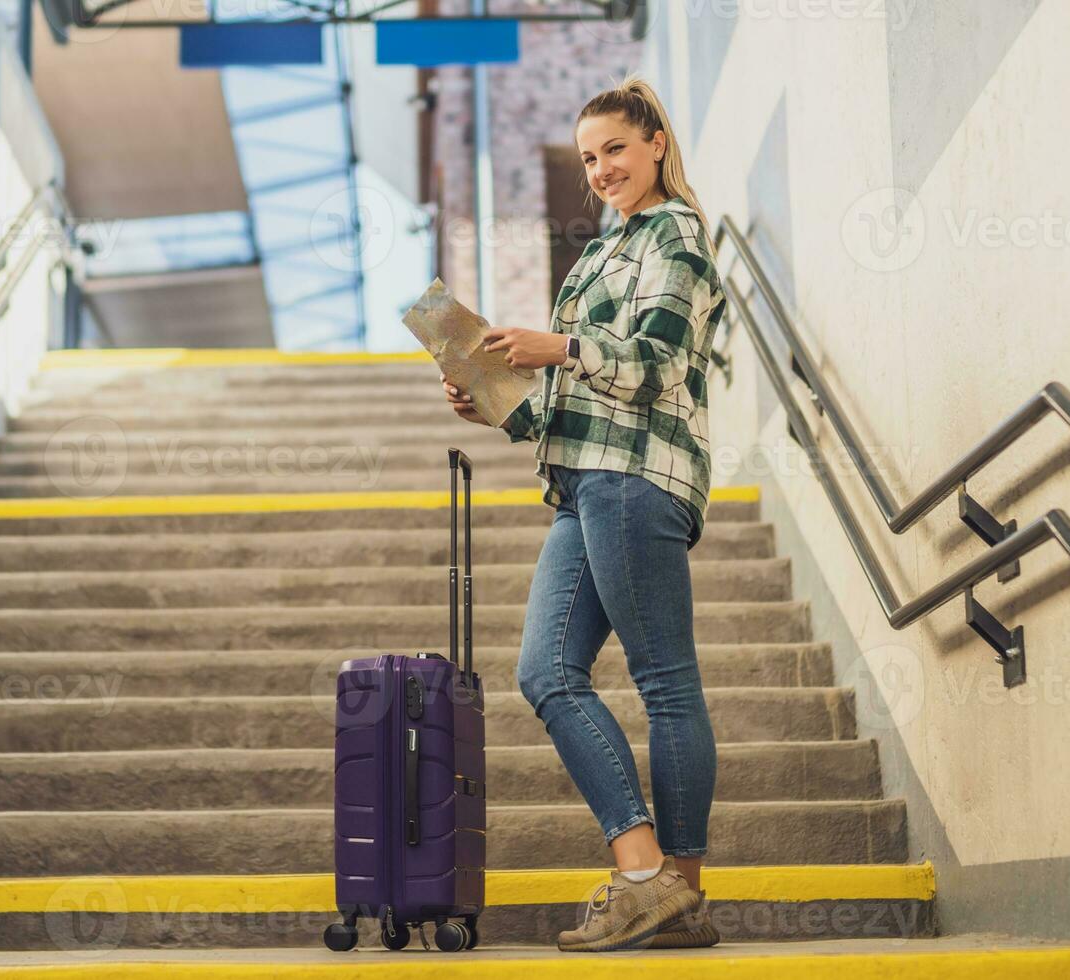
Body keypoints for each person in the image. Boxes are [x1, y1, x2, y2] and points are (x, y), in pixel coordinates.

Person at [442, 73, 726, 953]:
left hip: (639, 477)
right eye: (591, 156)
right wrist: (490, 395)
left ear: (656, 149)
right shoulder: (602, 253)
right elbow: (564, 409)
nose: (601, 168)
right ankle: (660, 886)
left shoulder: (676, 235)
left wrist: (558, 344)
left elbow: (654, 364)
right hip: (583, 480)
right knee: (546, 672)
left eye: (616, 150)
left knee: (664, 680)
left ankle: (663, 884)